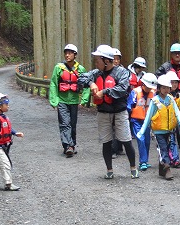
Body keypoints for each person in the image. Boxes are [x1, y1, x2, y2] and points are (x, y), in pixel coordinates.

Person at [77, 44, 138, 179]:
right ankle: (109, 170)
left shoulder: (121, 72)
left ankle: (133, 168)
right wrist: (91, 83)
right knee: (106, 141)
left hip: (119, 112)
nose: (96, 62)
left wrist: (104, 92)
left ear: (106, 60)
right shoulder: (96, 73)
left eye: (98, 59)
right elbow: (80, 78)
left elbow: (122, 88)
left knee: (126, 140)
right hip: (103, 112)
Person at [136, 73, 180, 179]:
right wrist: (141, 131)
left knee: (167, 148)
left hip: (169, 130)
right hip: (158, 131)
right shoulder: (155, 101)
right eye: (163, 87)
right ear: (159, 88)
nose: (166, 90)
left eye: (167, 87)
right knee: (163, 149)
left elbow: (177, 113)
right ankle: (167, 169)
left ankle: (161, 169)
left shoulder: (171, 99)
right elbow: (148, 117)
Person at [48, 44, 89, 157]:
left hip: (74, 101)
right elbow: (53, 84)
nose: (67, 55)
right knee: (64, 123)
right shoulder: (59, 68)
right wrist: (54, 100)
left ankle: (72, 144)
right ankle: (68, 146)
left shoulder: (80, 69)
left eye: (70, 53)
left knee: (72, 124)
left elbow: (86, 85)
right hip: (62, 100)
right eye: (66, 52)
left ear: (75, 55)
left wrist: (84, 100)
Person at [155, 43, 180, 149]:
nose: (177, 55)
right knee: (166, 116)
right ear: (171, 54)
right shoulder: (165, 67)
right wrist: (164, 91)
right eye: (175, 53)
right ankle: (164, 139)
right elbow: (157, 78)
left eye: (179, 53)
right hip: (167, 96)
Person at [128, 72, 157, 170]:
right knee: (141, 140)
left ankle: (145, 161)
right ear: (143, 84)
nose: (149, 89)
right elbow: (129, 106)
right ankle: (143, 162)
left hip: (147, 121)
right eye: (147, 86)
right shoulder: (135, 92)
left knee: (147, 141)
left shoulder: (153, 93)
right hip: (136, 120)